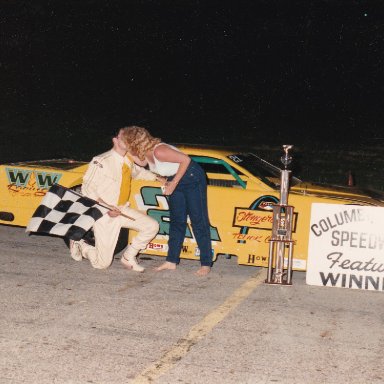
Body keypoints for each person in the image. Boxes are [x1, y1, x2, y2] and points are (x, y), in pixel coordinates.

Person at [122, 126, 212, 276]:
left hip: (192, 177)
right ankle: (171, 261)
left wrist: (173, 184)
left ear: (133, 143)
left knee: (198, 220)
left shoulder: (159, 150)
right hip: (176, 178)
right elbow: (142, 163)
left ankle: (206, 263)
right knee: (177, 220)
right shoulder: (146, 153)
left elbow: (186, 160)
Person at [69, 127, 160, 272]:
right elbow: (87, 189)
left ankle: (128, 257)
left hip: (122, 210)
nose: (126, 139)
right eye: (122, 136)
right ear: (115, 140)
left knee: (151, 226)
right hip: (104, 214)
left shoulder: (127, 161)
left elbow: (138, 172)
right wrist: (106, 208)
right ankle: (81, 244)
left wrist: (157, 178)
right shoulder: (101, 161)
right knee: (102, 264)